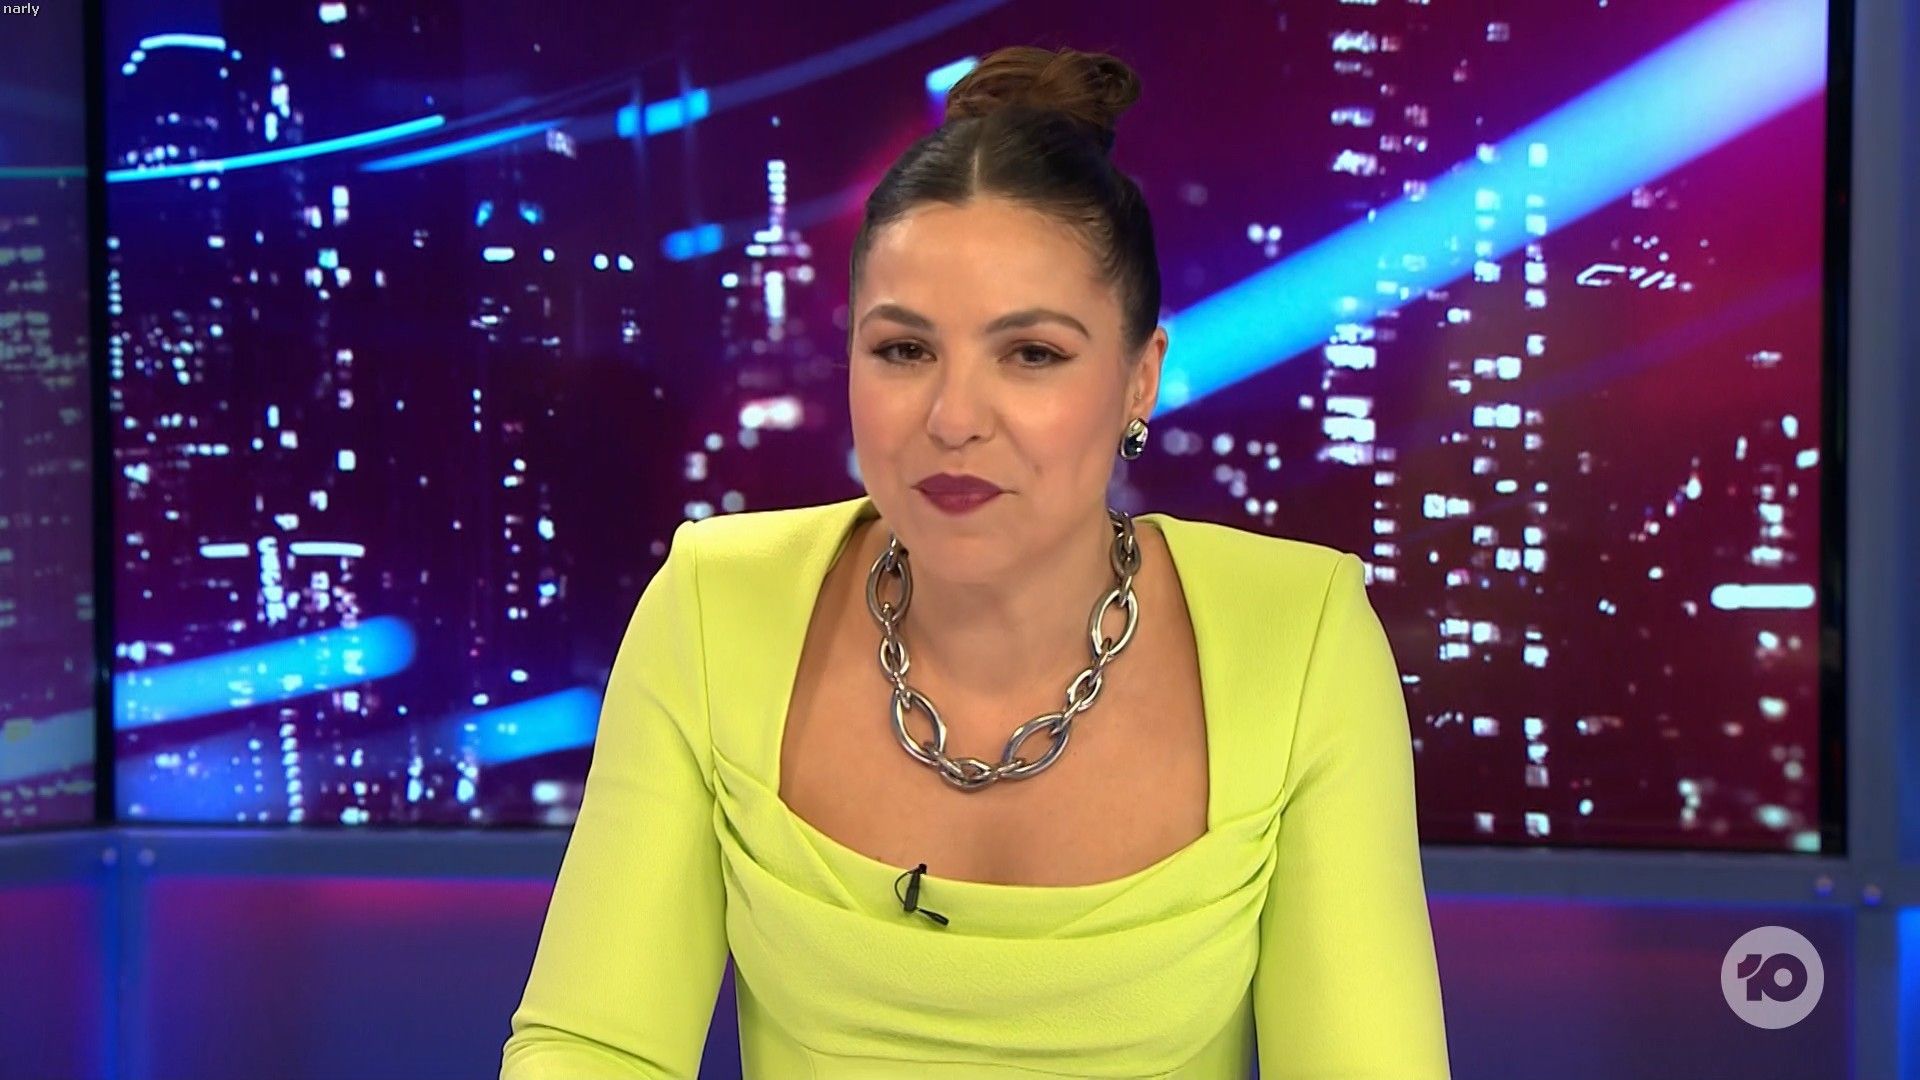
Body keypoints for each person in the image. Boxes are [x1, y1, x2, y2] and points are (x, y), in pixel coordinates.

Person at [501, 44, 1450, 1079]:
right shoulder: (713, 602)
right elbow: (593, 1048)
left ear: (1140, 378)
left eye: (1031, 354)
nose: (954, 418)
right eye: (904, 351)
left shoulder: (1303, 637)